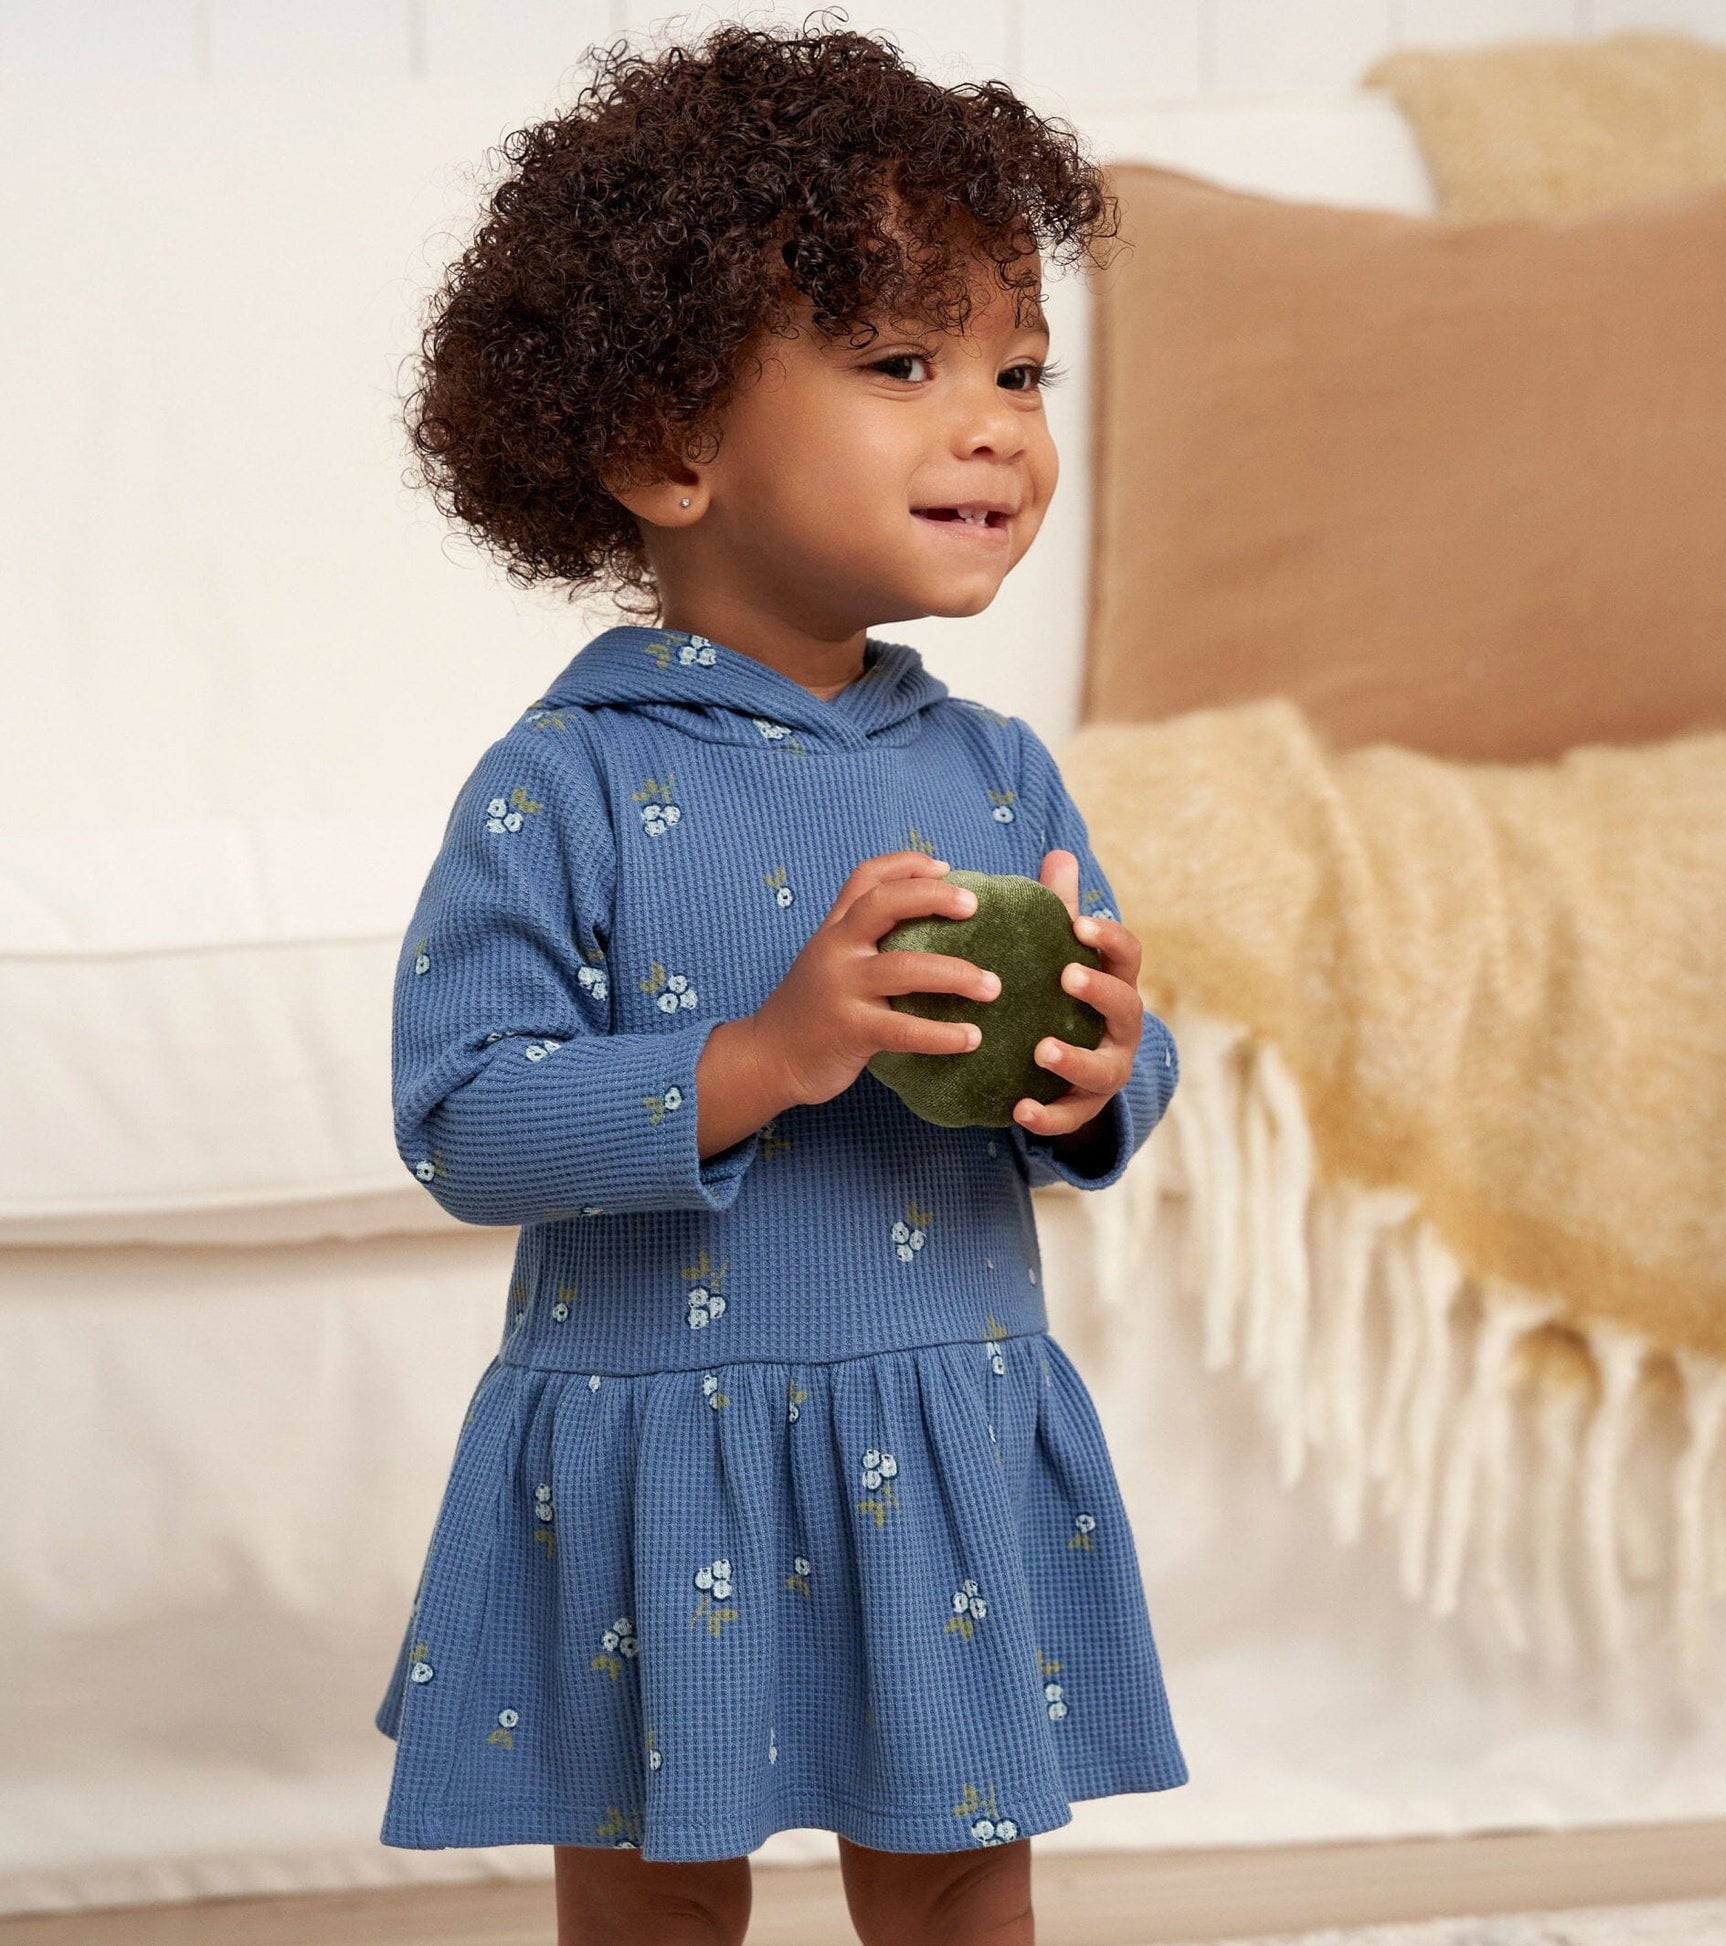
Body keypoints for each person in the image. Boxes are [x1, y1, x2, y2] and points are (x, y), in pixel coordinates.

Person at [373, 20, 1186, 1943]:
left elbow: (1107, 1087)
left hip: (939, 1435)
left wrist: (1102, 1068)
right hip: (666, 1443)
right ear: (670, 444)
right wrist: (760, 1053)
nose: (989, 419)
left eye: (1018, 369)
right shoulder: (566, 778)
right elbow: (465, 1115)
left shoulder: (994, 770)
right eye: (903, 366)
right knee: (658, 1909)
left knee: (959, 1889)